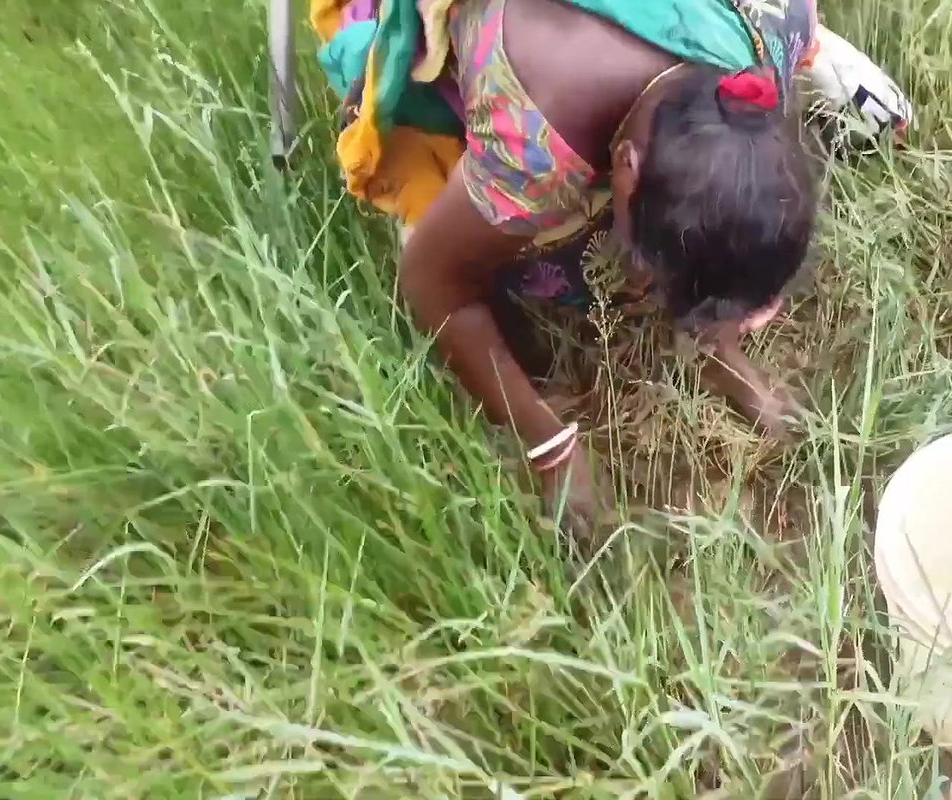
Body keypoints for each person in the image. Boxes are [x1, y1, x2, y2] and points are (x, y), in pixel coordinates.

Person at [309, 0, 912, 526]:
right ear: (623, 165)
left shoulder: (768, 34)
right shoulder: (534, 144)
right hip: (524, 65)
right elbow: (430, 281)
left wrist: (720, 348)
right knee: (538, 271)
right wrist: (552, 451)